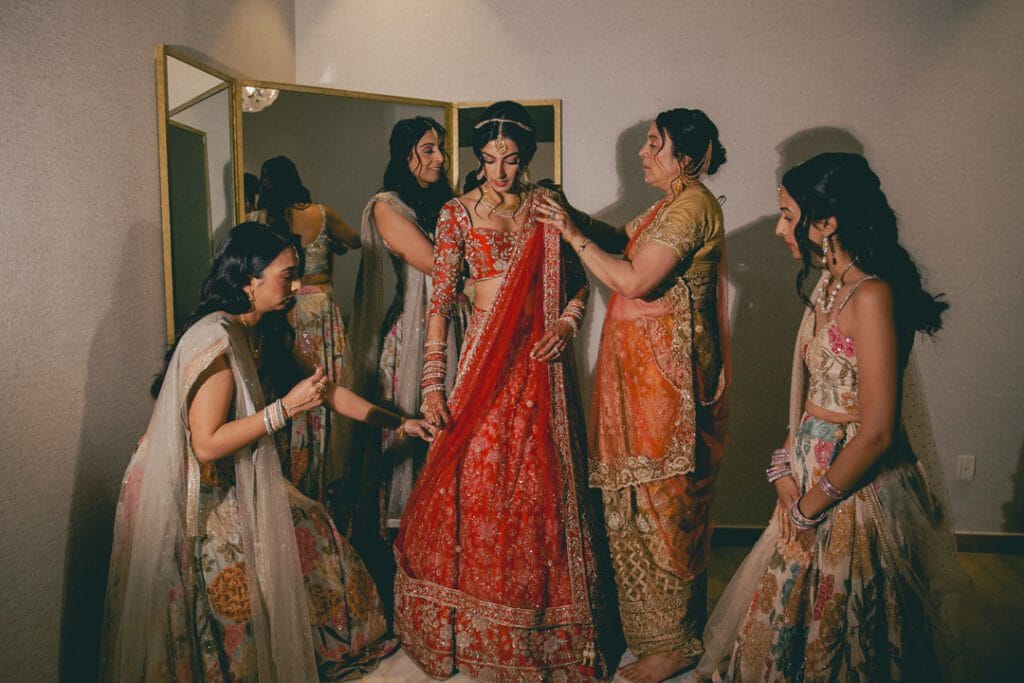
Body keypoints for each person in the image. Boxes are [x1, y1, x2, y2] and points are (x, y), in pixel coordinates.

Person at [100, 222, 436, 681]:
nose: (298, 286)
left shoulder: (266, 330)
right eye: (286, 275)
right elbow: (206, 444)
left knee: (317, 532)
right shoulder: (217, 338)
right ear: (247, 280)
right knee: (237, 584)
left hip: (230, 472)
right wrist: (283, 410)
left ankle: (315, 648)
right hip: (192, 487)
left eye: (297, 273)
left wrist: (399, 422)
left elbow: (328, 392)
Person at [695, 153, 963, 681]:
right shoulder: (826, 287)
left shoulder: (872, 295)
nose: (778, 228)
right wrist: (786, 467)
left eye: (787, 215)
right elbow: (815, 393)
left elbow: (880, 429)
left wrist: (810, 508)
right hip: (807, 472)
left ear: (826, 222)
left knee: (842, 632)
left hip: (853, 491)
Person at [393, 101, 613, 680]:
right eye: (489, 160)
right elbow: (440, 306)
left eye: (511, 160)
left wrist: (567, 325)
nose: (499, 172)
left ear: (526, 158)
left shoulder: (547, 208)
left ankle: (541, 626)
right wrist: (433, 385)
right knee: (478, 482)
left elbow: (580, 284)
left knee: (541, 488)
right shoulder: (456, 215)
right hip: (484, 364)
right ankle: (472, 626)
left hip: (540, 367)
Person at [542, 108, 730, 682]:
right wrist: (567, 213)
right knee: (629, 502)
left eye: (655, 144)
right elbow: (622, 240)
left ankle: (674, 644)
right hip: (638, 378)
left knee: (663, 505)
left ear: (688, 157)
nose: (643, 154)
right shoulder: (668, 206)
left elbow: (634, 280)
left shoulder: (694, 205)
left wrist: (571, 235)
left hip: (665, 383)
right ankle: (646, 632)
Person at [349, 116, 468, 542]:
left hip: (458, 324)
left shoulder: (447, 203)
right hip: (413, 334)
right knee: (415, 420)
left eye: (441, 149)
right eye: (429, 149)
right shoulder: (387, 206)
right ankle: (409, 535)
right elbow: (439, 265)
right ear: (407, 154)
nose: (440, 158)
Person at [252, 156, 361, 504]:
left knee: (291, 381)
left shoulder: (261, 221)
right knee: (326, 380)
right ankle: (326, 473)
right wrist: (332, 244)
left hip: (285, 310)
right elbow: (359, 241)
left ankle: (294, 473)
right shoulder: (322, 214)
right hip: (322, 310)